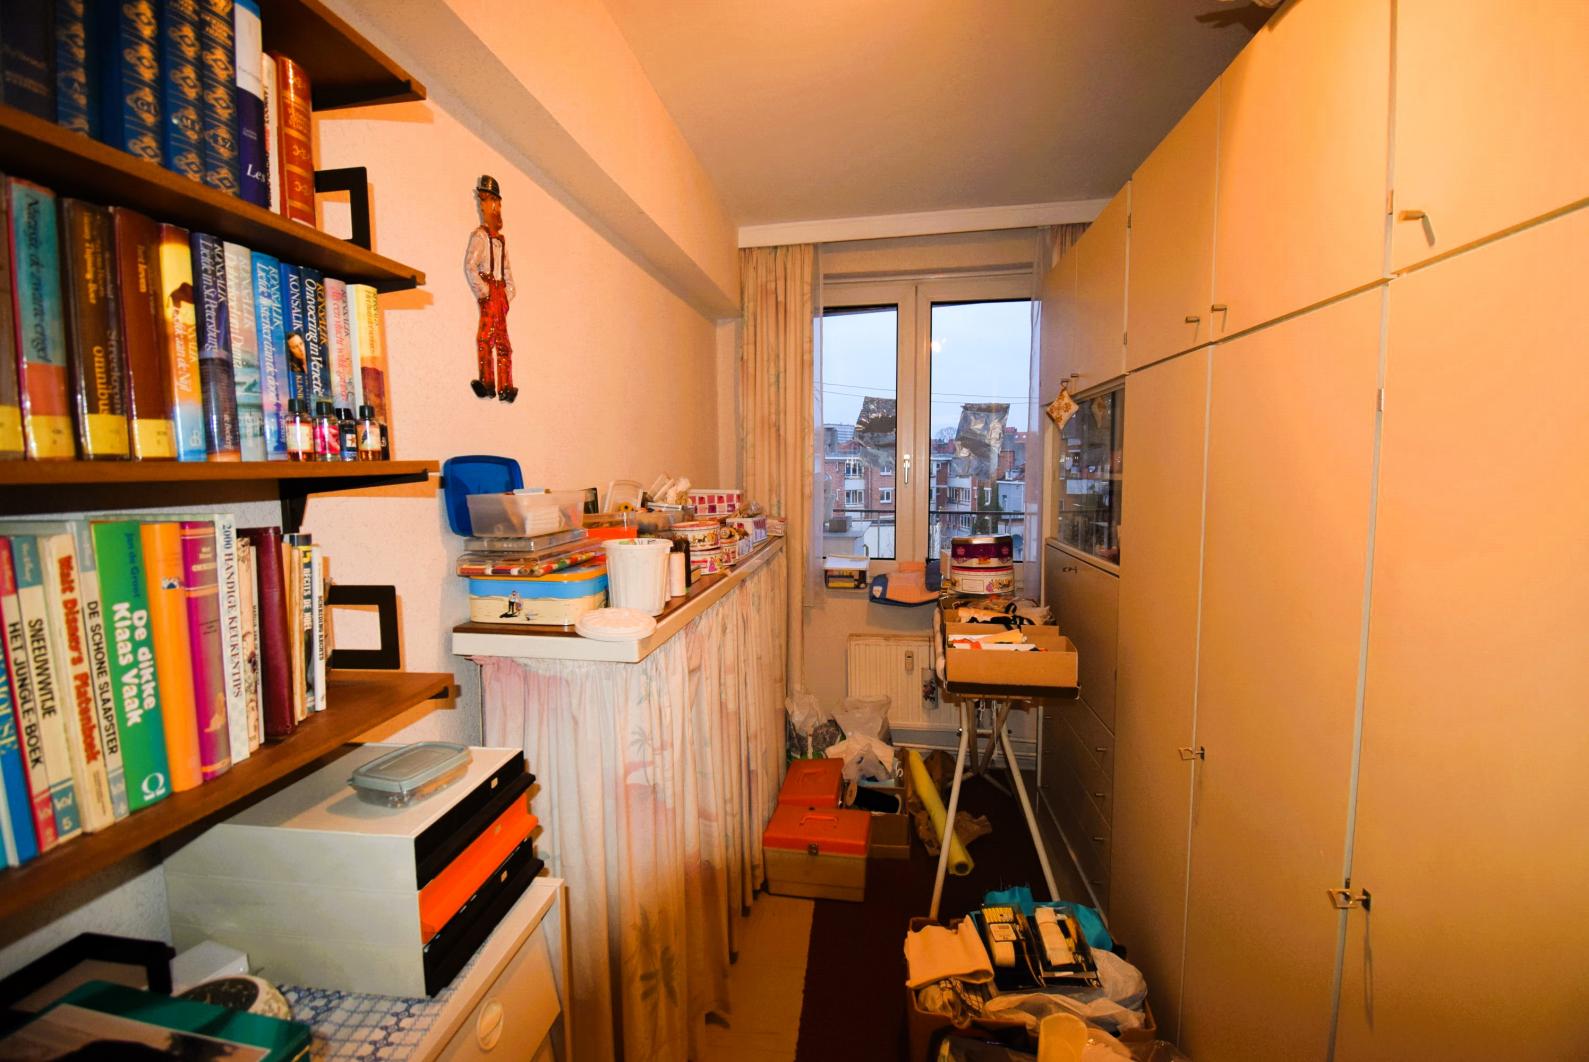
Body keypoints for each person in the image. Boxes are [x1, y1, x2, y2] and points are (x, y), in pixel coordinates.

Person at [464, 174, 517, 402]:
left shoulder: (501, 241)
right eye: (482, 201)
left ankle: (506, 386)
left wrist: (507, 293)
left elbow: (507, 271)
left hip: (499, 292)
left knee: (503, 341)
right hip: (490, 291)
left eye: (488, 200)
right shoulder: (480, 236)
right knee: (485, 337)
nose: (484, 205)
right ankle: (487, 382)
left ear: (496, 204)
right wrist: (484, 291)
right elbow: (470, 266)